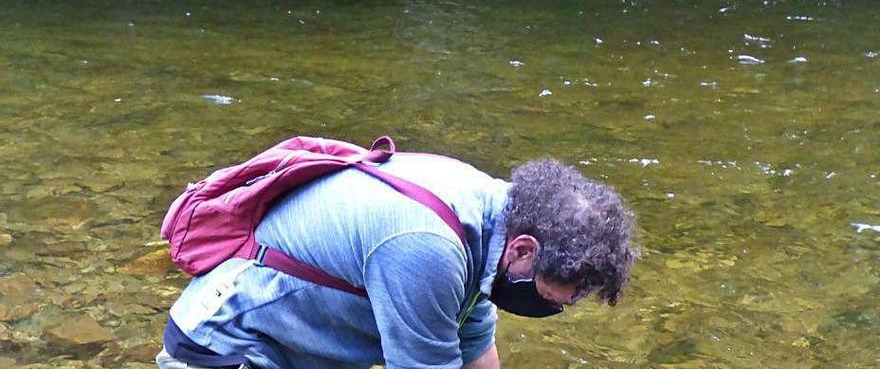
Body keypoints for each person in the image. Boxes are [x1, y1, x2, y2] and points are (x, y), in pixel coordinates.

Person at [157, 151, 637, 369]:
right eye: (557, 298)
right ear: (525, 251)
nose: (557, 308)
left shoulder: (493, 220)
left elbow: (471, 340)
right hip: (226, 345)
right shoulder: (428, 246)